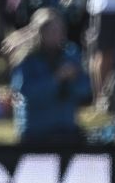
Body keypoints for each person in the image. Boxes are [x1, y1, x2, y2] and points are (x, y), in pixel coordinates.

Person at [5, 9, 91, 143]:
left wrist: (74, 79)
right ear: (40, 32)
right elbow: (25, 93)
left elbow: (85, 91)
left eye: (60, 30)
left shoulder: (71, 54)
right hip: (36, 131)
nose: (57, 35)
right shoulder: (26, 60)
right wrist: (55, 79)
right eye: (51, 31)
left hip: (66, 128)